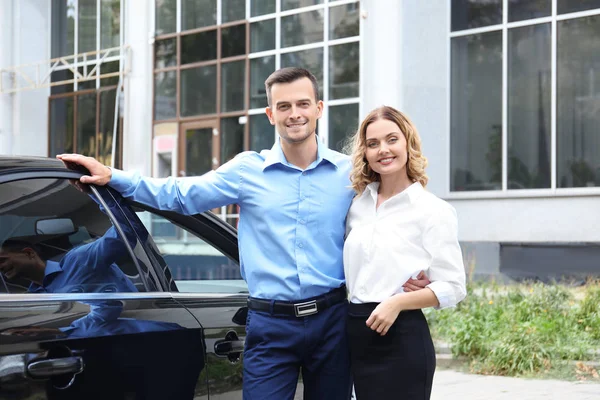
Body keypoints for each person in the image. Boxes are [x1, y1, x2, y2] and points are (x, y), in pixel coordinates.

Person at [57, 68, 430, 400]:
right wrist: (112, 176)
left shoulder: (347, 175)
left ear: (319, 108)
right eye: (283, 107)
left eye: (302, 104)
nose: (294, 114)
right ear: (271, 115)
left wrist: (410, 275)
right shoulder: (246, 171)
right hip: (271, 325)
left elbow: (385, 220)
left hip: (332, 322)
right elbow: (179, 195)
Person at [343, 106, 467, 400]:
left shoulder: (432, 211)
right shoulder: (356, 205)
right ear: (365, 152)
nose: (383, 150)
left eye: (392, 139)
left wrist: (399, 301)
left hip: (401, 339)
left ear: (408, 143)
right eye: (373, 144)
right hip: (354, 335)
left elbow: (454, 286)